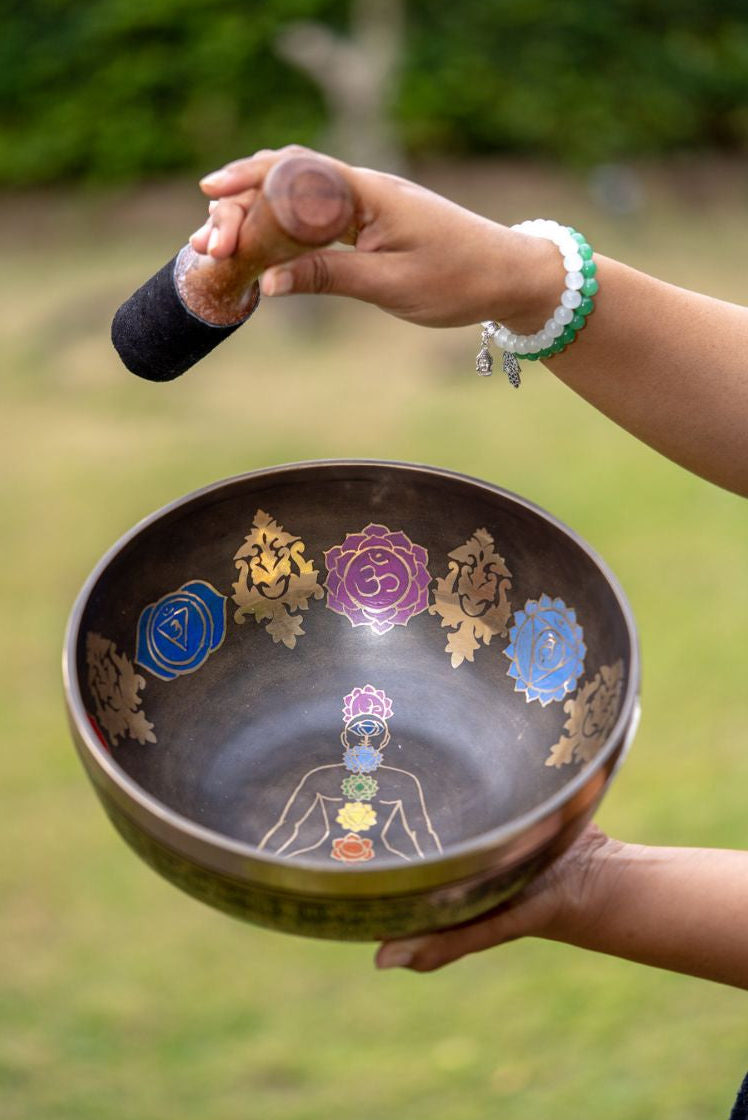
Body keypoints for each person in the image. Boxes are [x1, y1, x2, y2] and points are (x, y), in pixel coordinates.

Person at [188, 148, 748, 993]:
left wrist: (587, 885)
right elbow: (302, 812)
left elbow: (403, 819)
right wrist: (523, 280)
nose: (370, 739)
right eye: (367, 728)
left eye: (375, 728)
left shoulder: (405, 785)